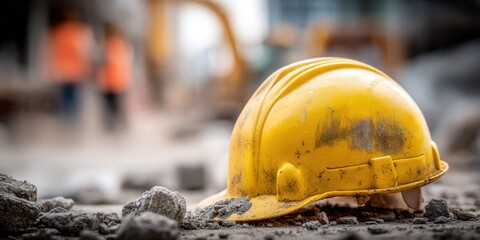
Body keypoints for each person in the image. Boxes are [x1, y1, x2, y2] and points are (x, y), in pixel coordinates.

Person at [46, 9, 94, 121]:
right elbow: (84, 51)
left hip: (62, 69)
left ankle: (66, 118)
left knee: (64, 95)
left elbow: (51, 50)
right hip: (76, 70)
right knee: (74, 96)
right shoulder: (79, 32)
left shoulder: (58, 31)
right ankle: (72, 119)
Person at [98, 23, 132, 130]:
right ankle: (120, 122)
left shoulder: (107, 46)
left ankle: (112, 123)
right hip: (120, 80)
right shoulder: (124, 46)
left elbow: (102, 62)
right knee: (118, 104)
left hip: (110, 80)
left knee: (111, 104)